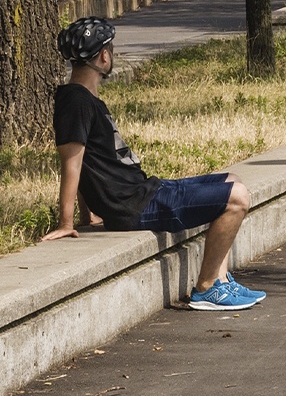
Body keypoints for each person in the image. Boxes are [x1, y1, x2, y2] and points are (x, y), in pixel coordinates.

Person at [42, 18, 264, 311]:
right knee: (238, 198)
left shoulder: (85, 99)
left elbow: (89, 164)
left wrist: (90, 215)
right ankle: (207, 288)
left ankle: (221, 280)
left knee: (231, 180)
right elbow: (72, 162)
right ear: (103, 56)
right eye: (111, 48)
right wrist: (67, 223)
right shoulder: (76, 101)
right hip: (134, 205)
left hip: (143, 192)